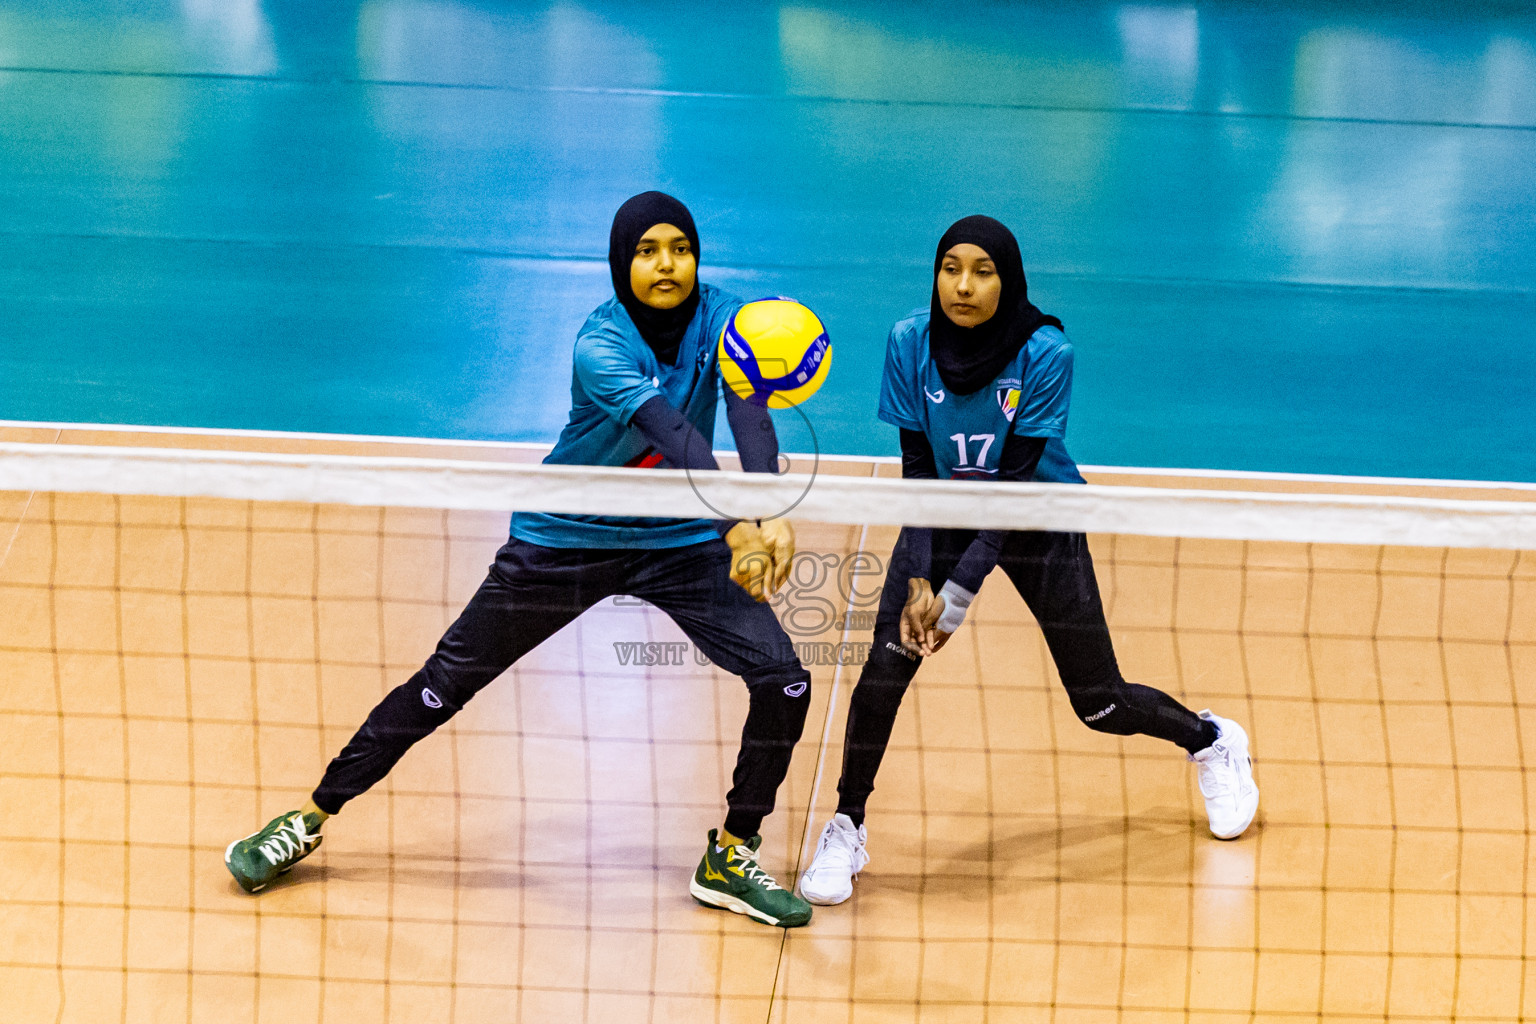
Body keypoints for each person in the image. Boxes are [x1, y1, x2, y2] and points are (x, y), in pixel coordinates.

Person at [225, 191, 816, 929]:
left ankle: (731, 853)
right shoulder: (599, 345)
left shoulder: (727, 320)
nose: (667, 265)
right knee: (444, 685)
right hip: (568, 540)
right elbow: (669, 434)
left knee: (784, 680)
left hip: (676, 542)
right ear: (619, 262)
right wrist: (740, 523)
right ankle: (308, 817)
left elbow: (749, 412)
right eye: (647, 251)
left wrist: (767, 509)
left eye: (680, 249)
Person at [797, 215, 1258, 906]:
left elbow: (1012, 491)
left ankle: (1211, 739)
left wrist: (951, 600)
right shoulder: (908, 342)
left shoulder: (1045, 353)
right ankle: (847, 823)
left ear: (1008, 281)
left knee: (1098, 702)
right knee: (883, 673)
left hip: (1037, 521)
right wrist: (922, 579)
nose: (963, 284)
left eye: (983, 271)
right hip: (947, 516)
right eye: (951, 267)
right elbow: (919, 474)